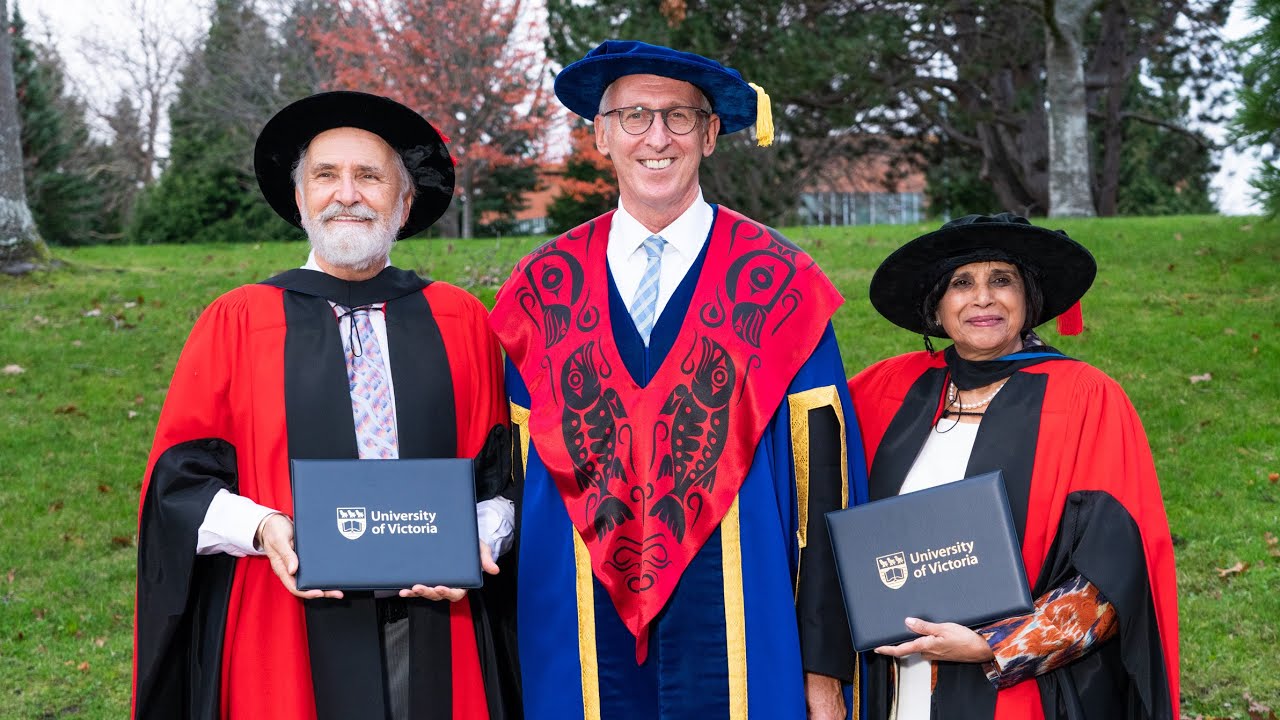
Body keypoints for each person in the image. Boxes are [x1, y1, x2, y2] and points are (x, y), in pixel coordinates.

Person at [489, 40, 868, 720]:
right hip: (574, 644)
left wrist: (824, 667)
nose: (656, 137)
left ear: (712, 133)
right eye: (633, 116)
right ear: (600, 134)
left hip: (747, 642)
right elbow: (510, 490)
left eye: (680, 117)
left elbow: (826, 497)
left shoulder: (781, 288)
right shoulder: (541, 292)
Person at [131, 91, 515, 720]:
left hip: (440, 624)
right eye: (326, 175)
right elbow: (177, 484)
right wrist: (262, 529)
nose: (347, 193)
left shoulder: (462, 321)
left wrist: (479, 535)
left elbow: (502, 478)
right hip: (281, 619)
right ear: (300, 198)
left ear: (405, 200)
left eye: (369, 176)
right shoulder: (236, 322)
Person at [847, 213, 1179, 719]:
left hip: (1026, 693)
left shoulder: (1086, 398)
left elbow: (1117, 571)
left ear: (1029, 299)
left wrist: (996, 645)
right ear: (937, 305)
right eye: (962, 283)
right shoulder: (883, 391)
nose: (983, 298)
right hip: (893, 680)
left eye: (1002, 280)